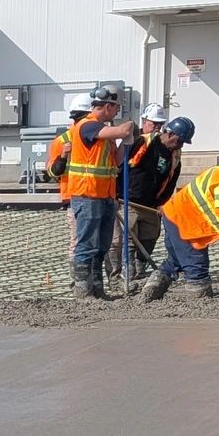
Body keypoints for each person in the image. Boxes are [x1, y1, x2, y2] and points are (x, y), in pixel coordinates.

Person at [140, 144, 219, 301]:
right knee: (197, 268)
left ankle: (151, 289)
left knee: (177, 260)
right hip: (185, 222)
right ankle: (199, 303)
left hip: (177, 216)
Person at [59, 84, 137, 298]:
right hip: (87, 195)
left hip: (105, 196)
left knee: (101, 246)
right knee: (86, 244)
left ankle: (97, 289)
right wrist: (129, 127)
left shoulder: (104, 134)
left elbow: (117, 160)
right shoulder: (88, 126)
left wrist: (127, 144)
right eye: (116, 107)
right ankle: (83, 292)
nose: (117, 112)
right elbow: (122, 129)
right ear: (108, 106)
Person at [121, 106, 187, 279]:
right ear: (171, 134)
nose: (179, 145)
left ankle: (140, 267)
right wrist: (116, 193)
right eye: (179, 140)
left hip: (151, 204)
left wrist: (163, 202)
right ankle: (126, 272)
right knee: (128, 238)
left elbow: (171, 181)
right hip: (130, 200)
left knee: (150, 236)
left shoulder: (175, 156)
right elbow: (122, 166)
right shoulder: (143, 142)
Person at [43, 93, 93, 189]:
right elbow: (52, 172)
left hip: (94, 193)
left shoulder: (99, 137)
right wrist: (63, 156)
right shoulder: (61, 141)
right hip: (72, 195)